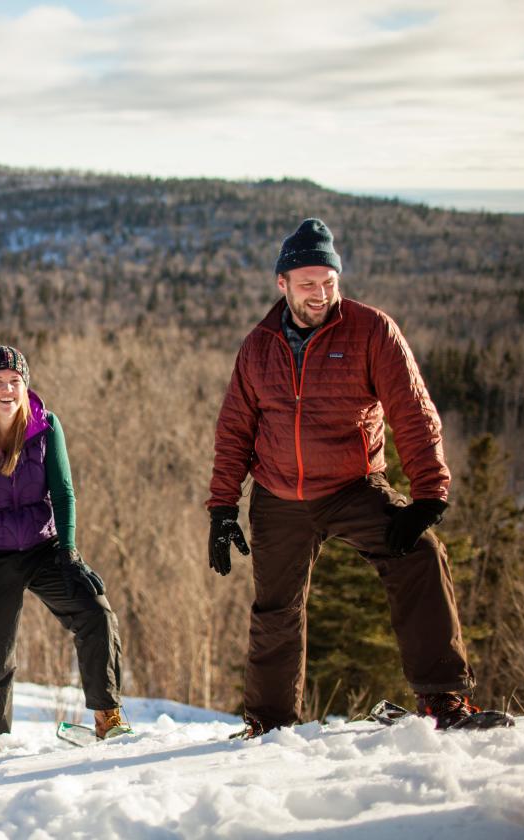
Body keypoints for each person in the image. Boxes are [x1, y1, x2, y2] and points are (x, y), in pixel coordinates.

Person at [206, 218, 476, 735]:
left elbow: (412, 413)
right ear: (281, 283)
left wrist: (427, 494)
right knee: (275, 610)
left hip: (353, 485)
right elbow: (234, 430)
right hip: (279, 492)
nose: (320, 293)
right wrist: (222, 508)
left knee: (420, 555)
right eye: (307, 283)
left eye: (329, 282)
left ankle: (443, 700)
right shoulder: (259, 345)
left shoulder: (371, 330)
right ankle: (269, 724)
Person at [0, 345, 127, 751]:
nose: (7, 389)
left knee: (94, 610)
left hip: (44, 548)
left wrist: (70, 551)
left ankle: (107, 717)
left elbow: (63, 492)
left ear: (25, 385)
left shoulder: (45, 427)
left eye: (15, 381)